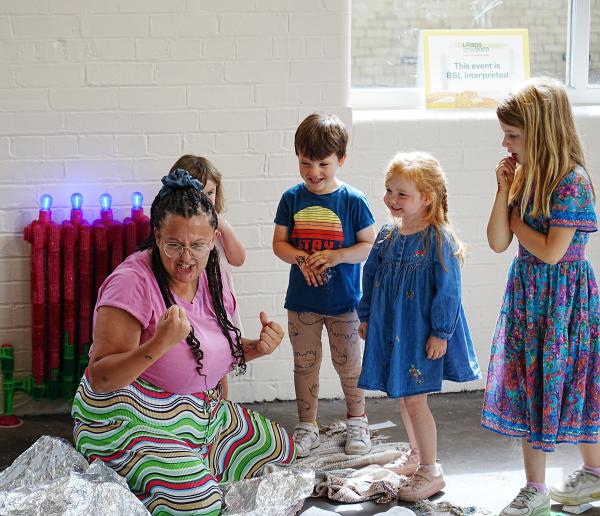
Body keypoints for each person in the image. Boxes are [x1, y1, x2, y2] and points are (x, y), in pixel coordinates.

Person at [71, 169, 295, 516]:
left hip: (193, 413)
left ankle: (189, 461)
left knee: (281, 451)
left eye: (198, 245)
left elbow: (208, 354)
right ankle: (134, 475)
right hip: (128, 416)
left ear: (214, 238)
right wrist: (157, 344)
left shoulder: (213, 275)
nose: (186, 257)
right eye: (174, 244)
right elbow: (101, 378)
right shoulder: (132, 283)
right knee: (199, 503)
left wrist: (255, 349)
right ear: (157, 236)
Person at [482, 77, 600, 515]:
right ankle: (536, 487)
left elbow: (552, 252)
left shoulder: (572, 181)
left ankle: (593, 473)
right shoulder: (523, 175)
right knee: (535, 386)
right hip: (528, 299)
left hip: (564, 302)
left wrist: (515, 223)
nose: (506, 142)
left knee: (572, 385)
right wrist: (503, 193)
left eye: (513, 135)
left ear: (541, 131)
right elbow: (497, 241)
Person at [358, 151, 481, 502]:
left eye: (401, 194)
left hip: (420, 333)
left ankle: (431, 469)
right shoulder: (387, 235)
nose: (391, 200)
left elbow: (449, 290)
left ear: (426, 198)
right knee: (405, 397)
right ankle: (416, 456)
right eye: (389, 191)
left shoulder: (438, 237)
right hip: (393, 329)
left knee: (416, 400)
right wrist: (366, 315)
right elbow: (371, 277)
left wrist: (440, 332)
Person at [272, 112, 376, 457]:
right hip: (301, 302)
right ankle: (307, 426)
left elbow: (367, 245)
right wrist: (302, 258)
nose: (313, 172)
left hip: (344, 301)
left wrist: (335, 256)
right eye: (305, 163)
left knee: (349, 364)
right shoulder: (291, 199)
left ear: (341, 160)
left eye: (323, 164)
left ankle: (358, 421)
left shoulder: (353, 201)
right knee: (305, 363)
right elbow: (280, 245)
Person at [169, 154, 246, 400]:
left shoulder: (219, 227)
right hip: (192, 303)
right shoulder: (177, 227)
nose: (206, 199)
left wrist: (223, 227)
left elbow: (238, 258)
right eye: (199, 192)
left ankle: (221, 409)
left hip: (218, 302)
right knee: (196, 355)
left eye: (211, 193)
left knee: (221, 358)